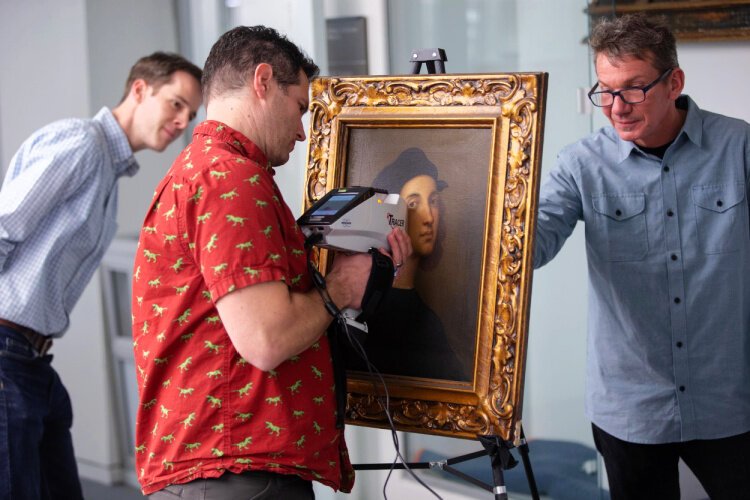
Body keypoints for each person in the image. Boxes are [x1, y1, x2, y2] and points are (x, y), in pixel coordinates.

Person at [131, 26, 410, 499]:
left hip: (218, 462)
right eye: (299, 107)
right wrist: (340, 287)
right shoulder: (231, 179)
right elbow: (266, 338)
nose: (302, 132)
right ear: (263, 81)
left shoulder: (200, 170)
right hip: (236, 468)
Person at [534, 13, 750, 499]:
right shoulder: (578, 165)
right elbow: (536, 245)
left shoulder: (740, 148)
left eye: (632, 89)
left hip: (731, 399)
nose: (615, 107)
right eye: (605, 90)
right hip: (630, 407)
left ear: (674, 81)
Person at [0, 52, 202, 499]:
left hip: (30, 361)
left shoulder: (108, 167)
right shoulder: (83, 145)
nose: (183, 122)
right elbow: (4, 226)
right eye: (176, 104)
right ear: (139, 90)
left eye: (191, 114)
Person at [349, 147, 466, 380]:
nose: (429, 217)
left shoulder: (428, 320)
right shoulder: (365, 310)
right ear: (388, 215)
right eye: (412, 204)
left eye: (433, 201)